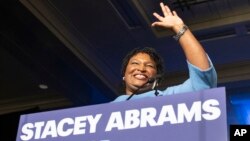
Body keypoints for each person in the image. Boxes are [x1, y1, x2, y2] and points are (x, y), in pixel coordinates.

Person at [113, 2, 217, 102]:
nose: (141, 69)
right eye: (135, 63)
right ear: (124, 75)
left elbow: (203, 81)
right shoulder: (106, 111)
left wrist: (179, 27)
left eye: (150, 66)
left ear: (156, 78)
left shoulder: (168, 98)